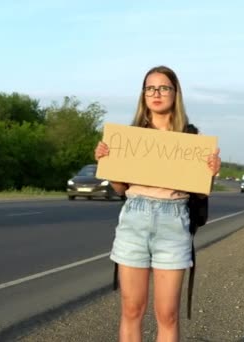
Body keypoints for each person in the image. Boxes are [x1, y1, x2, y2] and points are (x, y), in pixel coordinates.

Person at [94, 65, 221, 342]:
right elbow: (119, 187)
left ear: (176, 94)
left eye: (164, 87)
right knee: (131, 309)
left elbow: (201, 193)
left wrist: (209, 172)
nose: (157, 93)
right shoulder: (129, 137)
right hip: (134, 218)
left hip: (173, 221)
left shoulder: (190, 138)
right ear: (143, 95)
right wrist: (106, 161)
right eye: (150, 88)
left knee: (167, 314)